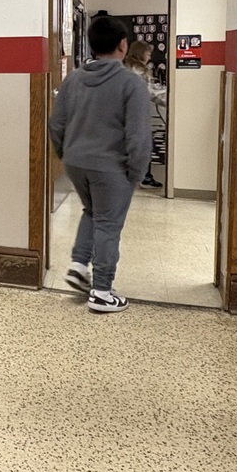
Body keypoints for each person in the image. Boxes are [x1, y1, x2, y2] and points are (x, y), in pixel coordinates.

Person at [48, 16, 151, 313]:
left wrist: (65, 155)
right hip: (111, 167)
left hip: (75, 162)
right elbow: (138, 137)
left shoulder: (74, 79)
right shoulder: (131, 83)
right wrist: (136, 173)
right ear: (123, 45)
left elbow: (56, 124)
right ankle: (103, 292)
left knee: (93, 212)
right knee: (109, 223)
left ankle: (79, 265)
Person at [124, 39, 164, 189]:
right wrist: (166, 102)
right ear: (141, 52)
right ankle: (144, 176)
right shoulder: (138, 70)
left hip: (129, 113)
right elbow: (146, 92)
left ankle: (142, 175)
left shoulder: (128, 66)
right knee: (145, 145)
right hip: (135, 113)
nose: (149, 56)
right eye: (148, 53)